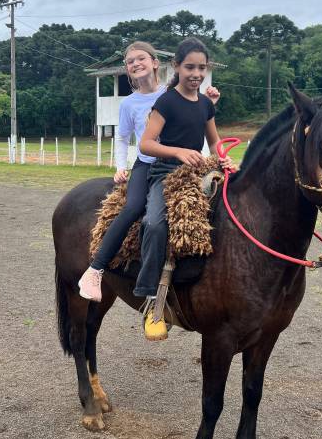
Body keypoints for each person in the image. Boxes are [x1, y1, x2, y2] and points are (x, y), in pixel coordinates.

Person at [78, 40, 221, 302]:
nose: (136, 64)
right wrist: (121, 167)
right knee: (135, 208)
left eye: (141, 58)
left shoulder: (173, 91)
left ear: (156, 63)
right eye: (130, 61)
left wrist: (210, 102)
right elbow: (126, 138)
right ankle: (97, 268)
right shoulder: (134, 103)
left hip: (190, 163)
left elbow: (195, 116)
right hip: (149, 164)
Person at [135, 36, 234, 341]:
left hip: (198, 171)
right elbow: (146, 144)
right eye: (190, 67)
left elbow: (214, 142)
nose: (196, 74)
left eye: (202, 68)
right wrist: (178, 151)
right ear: (176, 66)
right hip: (166, 172)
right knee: (154, 223)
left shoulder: (205, 104)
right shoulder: (166, 102)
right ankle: (151, 298)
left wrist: (224, 159)